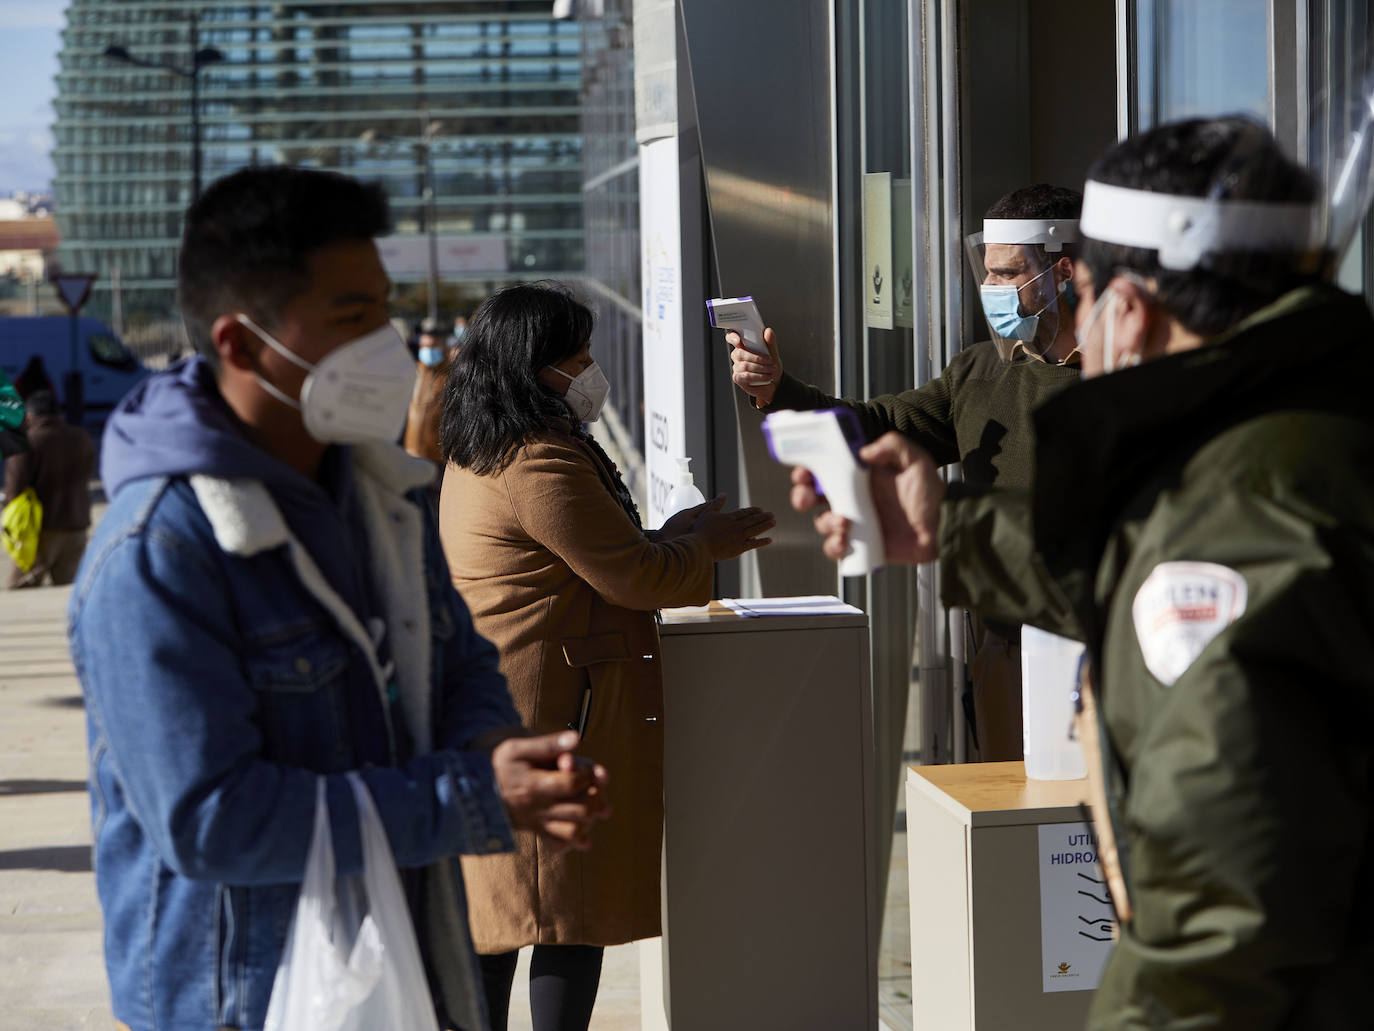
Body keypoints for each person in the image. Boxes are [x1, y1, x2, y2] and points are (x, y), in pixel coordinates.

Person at [798, 116, 1374, 1028]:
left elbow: (1216, 928)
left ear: (1128, 310)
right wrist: (950, 530)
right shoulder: (1299, 428)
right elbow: (1136, 564)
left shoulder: (1239, 512)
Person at [68, 166, 611, 1031]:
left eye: (382, 309)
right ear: (242, 345)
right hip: (247, 996)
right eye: (352, 318)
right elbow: (211, 822)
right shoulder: (158, 551)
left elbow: (459, 653)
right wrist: (472, 796)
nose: (384, 344)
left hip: (404, 962)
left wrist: (497, 739)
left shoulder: (379, 487)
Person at [438, 283, 775, 1031]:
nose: (593, 369)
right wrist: (703, 546)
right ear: (534, 367)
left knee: (516, 915)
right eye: (579, 356)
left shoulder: (490, 446)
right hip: (550, 714)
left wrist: (674, 534)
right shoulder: (535, 462)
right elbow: (632, 576)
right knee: (560, 912)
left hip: (516, 709)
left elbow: (604, 554)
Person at [729, 183, 1084, 760]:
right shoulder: (980, 371)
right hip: (1002, 649)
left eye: (1007, 273)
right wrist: (779, 391)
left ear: (1062, 272)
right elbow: (883, 423)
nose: (991, 289)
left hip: (1092, 649)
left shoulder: (1124, 378)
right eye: (987, 273)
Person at [4, 389, 93, 588]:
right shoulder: (81, 437)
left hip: (41, 530)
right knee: (69, 591)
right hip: (77, 524)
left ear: (28, 415)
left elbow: (15, 487)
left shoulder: (26, 441)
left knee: (20, 589)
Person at [404, 315, 451, 467]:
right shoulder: (413, 372)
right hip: (412, 455)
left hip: (439, 460)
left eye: (432, 346)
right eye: (424, 346)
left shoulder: (451, 376)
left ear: (443, 347)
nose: (427, 351)